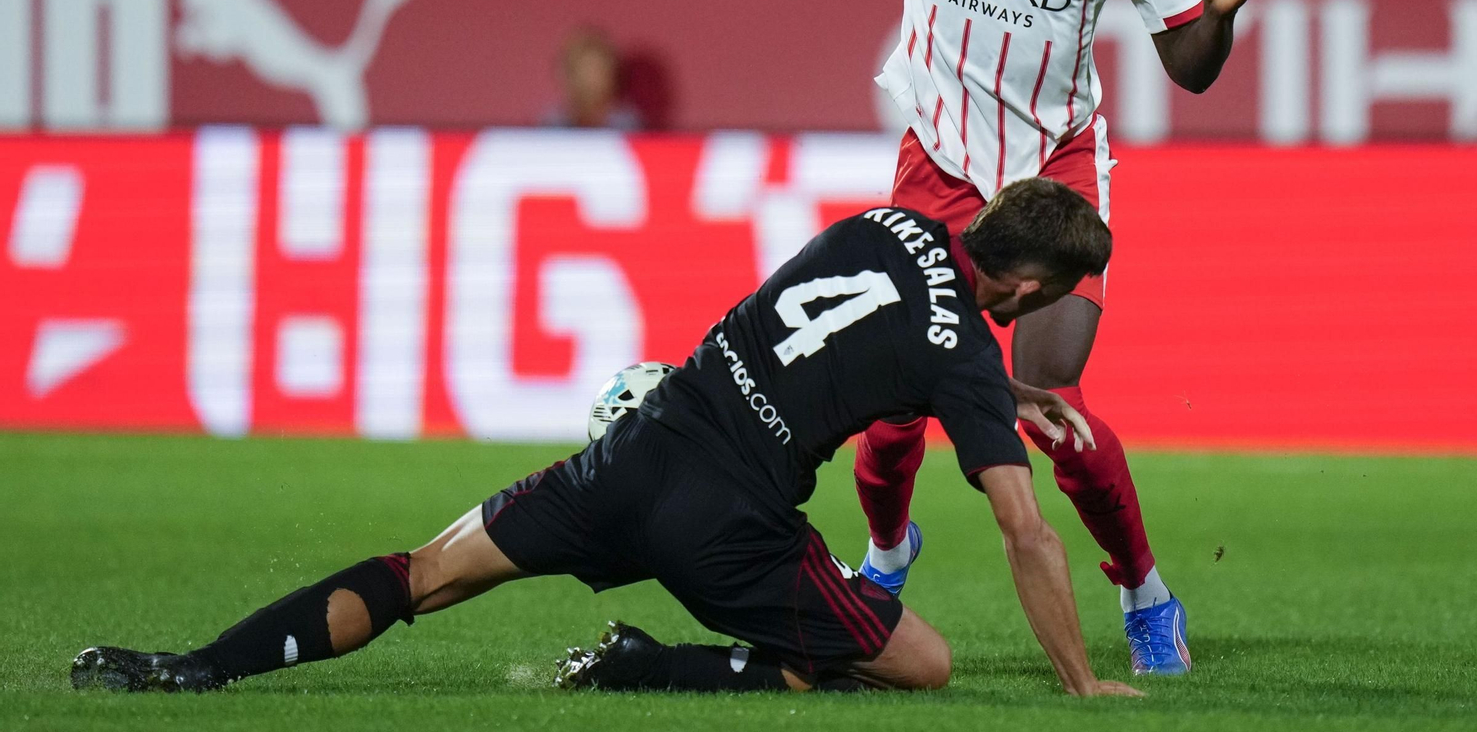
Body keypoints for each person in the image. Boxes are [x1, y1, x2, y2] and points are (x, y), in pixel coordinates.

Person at [609, 0, 1262, 675]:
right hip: (940, 165)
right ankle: (884, 556)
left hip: (1051, 177)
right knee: (887, 409)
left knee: (1058, 412)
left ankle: (1142, 588)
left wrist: (1216, 13)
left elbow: (1192, 69)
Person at [72, 179, 1141, 699]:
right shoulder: (959, 353)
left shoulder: (882, 223)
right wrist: (1081, 683)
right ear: (1034, 284)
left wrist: (992, 391)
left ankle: (199, 667)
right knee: (920, 662)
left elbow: (879, 329)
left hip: (642, 443)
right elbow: (1023, 528)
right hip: (731, 522)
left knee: (425, 573)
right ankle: (655, 667)